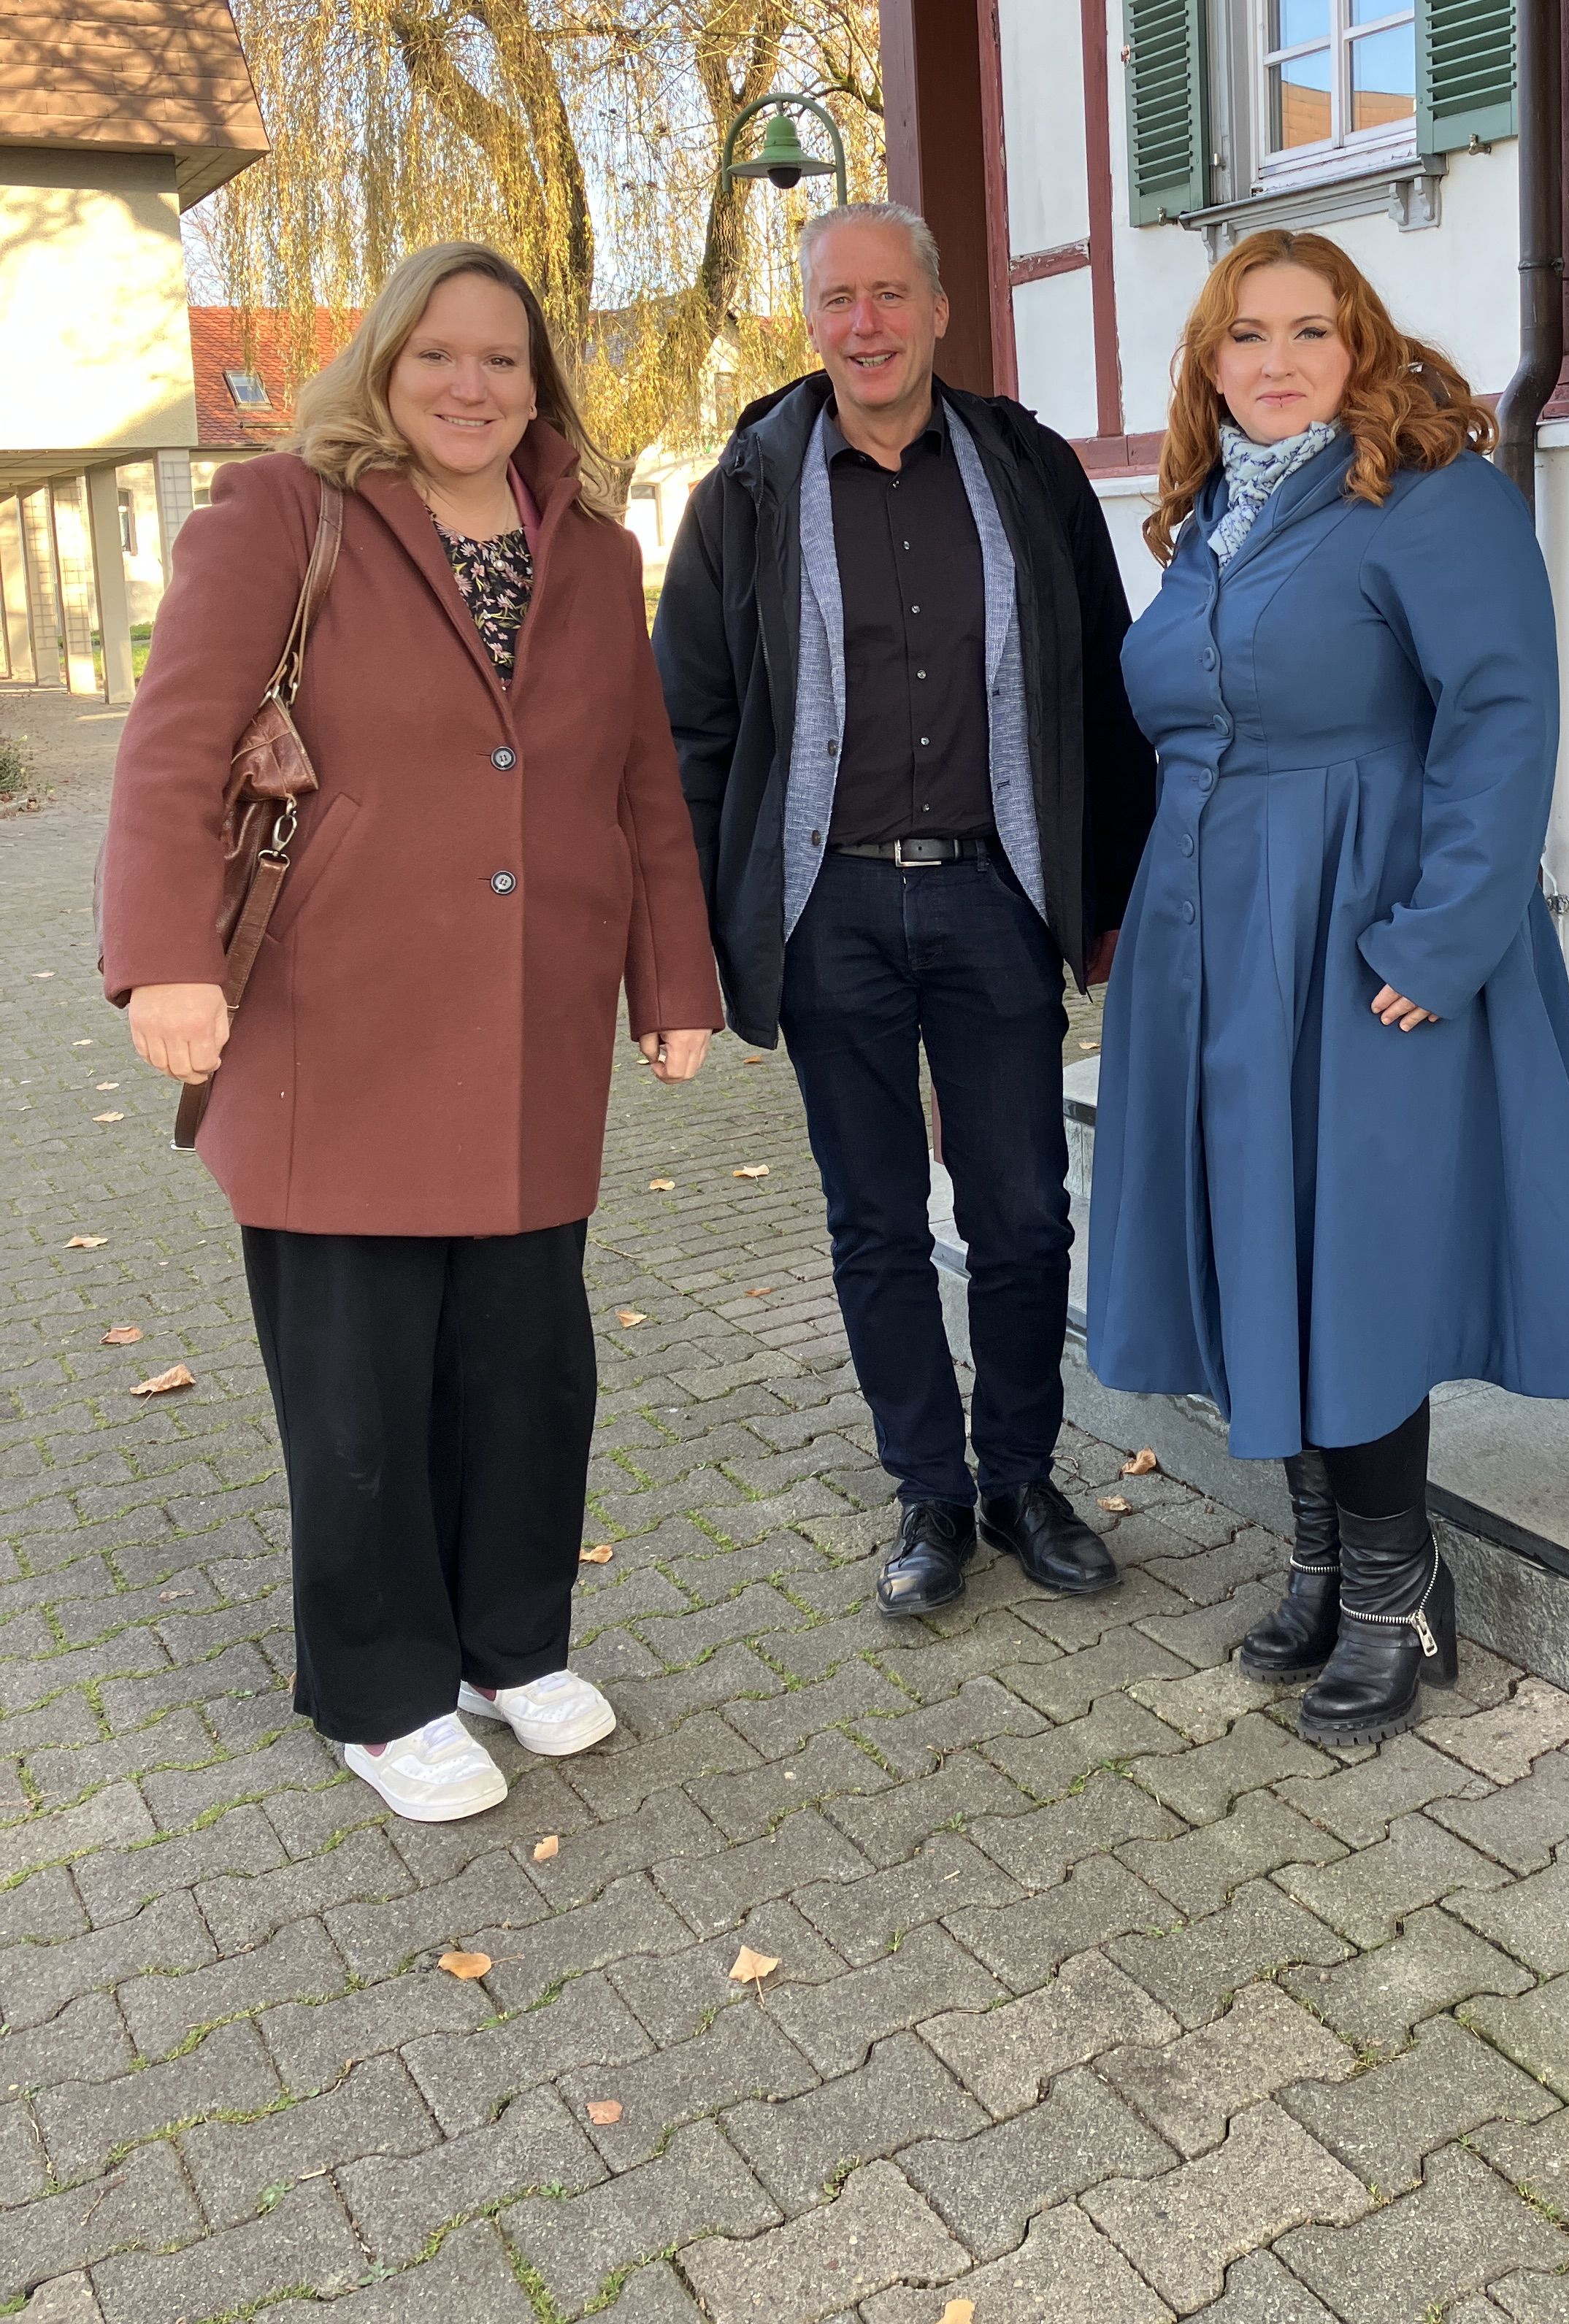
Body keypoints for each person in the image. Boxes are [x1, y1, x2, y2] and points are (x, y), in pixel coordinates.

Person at [101, 242, 722, 1824]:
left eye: (503, 360)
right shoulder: (282, 518)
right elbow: (177, 746)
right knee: (361, 1390)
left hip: (530, 1028)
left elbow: (639, 777)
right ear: (382, 365)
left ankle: (510, 1648)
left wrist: (675, 977)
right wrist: (167, 959)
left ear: (540, 384)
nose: (472, 385)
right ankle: (380, 1692)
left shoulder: (587, 546)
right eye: (439, 354)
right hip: (334, 1028)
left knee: (528, 1369)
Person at [1085, 228, 1569, 1748]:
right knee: (1263, 1247)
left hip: (1360, 931)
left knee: (1358, 1260)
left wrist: (1444, 933)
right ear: (1210, 364)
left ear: (1363, 348)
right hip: (1213, 944)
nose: (1277, 362)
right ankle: (1327, 1562)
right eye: (1246, 336)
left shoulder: (1432, 497)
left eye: (1311, 332)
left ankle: (1397, 1595)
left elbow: (1502, 714)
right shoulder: (1208, 520)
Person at [653, 200, 1154, 1620]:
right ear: (808, 323)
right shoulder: (749, 485)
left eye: (889, 296)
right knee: (874, 1222)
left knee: (1023, 1214)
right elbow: (687, 724)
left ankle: (1022, 1480)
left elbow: (1105, 692)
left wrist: (1105, 897)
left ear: (939, 310)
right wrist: (698, 927)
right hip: (834, 916)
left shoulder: (1026, 468)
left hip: (997, 899)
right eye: (835, 302)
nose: (863, 325)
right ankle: (929, 1497)